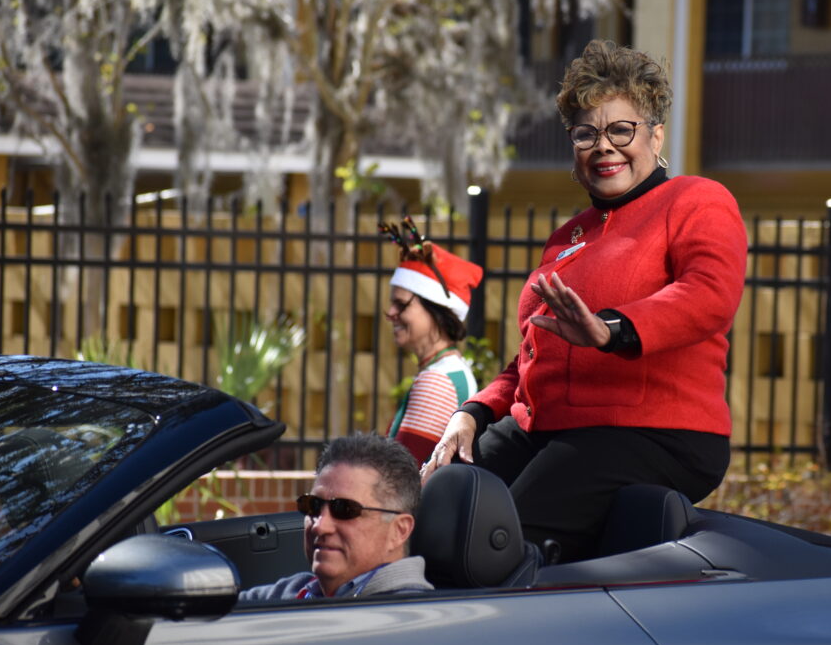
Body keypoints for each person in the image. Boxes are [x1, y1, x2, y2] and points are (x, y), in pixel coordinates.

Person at [421, 40, 748, 563]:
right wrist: (472, 413)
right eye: (586, 134)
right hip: (545, 427)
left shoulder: (695, 200)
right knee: (435, 507)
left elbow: (708, 294)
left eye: (621, 130)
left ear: (656, 135)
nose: (604, 147)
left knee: (498, 537)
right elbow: (533, 354)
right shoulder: (568, 236)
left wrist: (612, 330)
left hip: (650, 432)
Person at [239, 432, 433, 600]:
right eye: (313, 505)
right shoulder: (288, 592)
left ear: (399, 530)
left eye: (344, 510)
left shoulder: (408, 619)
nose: (320, 526)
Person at [380, 218, 483, 464]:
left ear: (436, 310)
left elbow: (399, 473)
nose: (391, 313)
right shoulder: (448, 370)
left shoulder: (437, 381)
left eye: (401, 304)